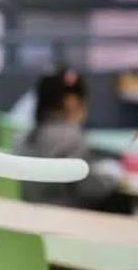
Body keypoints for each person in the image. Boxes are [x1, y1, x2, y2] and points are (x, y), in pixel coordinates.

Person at [16, 72, 126, 212]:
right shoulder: (71, 137)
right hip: (66, 217)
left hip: (33, 216)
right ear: (71, 101)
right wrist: (113, 177)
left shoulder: (25, 136)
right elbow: (87, 188)